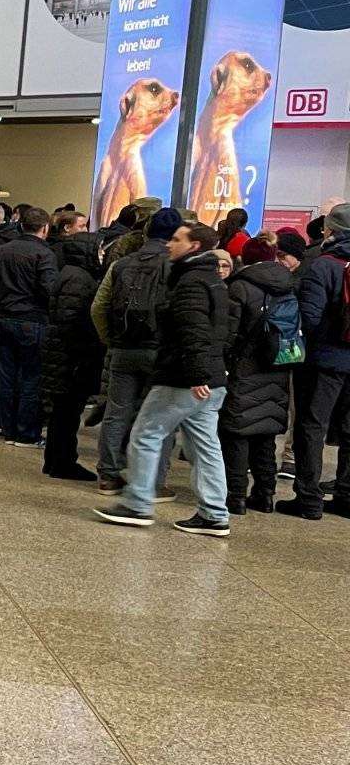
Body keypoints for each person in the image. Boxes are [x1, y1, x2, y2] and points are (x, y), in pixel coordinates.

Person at [94, 223, 232, 535]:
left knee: (145, 433)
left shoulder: (190, 283)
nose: (169, 244)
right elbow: (220, 332)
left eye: (176, 239)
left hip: (183, 378)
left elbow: (192, 330)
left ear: (194, 246)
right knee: (206, 445)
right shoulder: (212, 280)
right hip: (211, 378)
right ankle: (213, 513)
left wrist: (196, 373)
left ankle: (138, 503)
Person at [90, 206, 183, 493]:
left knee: (116, 412)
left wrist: (111, 340)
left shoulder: (122, 264)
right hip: (159, 352)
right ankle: (152, 481)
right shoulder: (177, 266)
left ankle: (108, 474)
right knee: (159, 418)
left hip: (124, 349)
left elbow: (98, 307)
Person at [278, 202, 350, 519]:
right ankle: (346, 495)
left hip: (324, 361)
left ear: (329, 230)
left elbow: (309, 316)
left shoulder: (323, 265)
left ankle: (308, 497)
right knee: (349, 429)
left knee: (312, 426)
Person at [218, 236, 297, 518]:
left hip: (245, 367)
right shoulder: (289, 285)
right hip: (278, 366)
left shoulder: (240, 286)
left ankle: (235, 496)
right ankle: (265, 495)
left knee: (237, 432)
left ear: (245, 258)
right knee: (265, 434)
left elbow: (229, 332)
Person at [0, 204, 57, 447]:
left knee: (6, 377)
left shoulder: (2, 250)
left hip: (3, 317)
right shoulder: (44, 255)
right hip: (32, 320)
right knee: (31, 378)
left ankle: (9, 430)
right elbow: (49, 290)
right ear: (45, 228)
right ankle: (26, 433)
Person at [40, 231, 105, 481]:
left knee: (63, 410)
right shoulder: (80, 279)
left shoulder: (69, 274)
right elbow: (72, 319)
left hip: (63, 353)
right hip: (71, 356)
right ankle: (63, 461)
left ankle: (56, 460)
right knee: (67, 411)